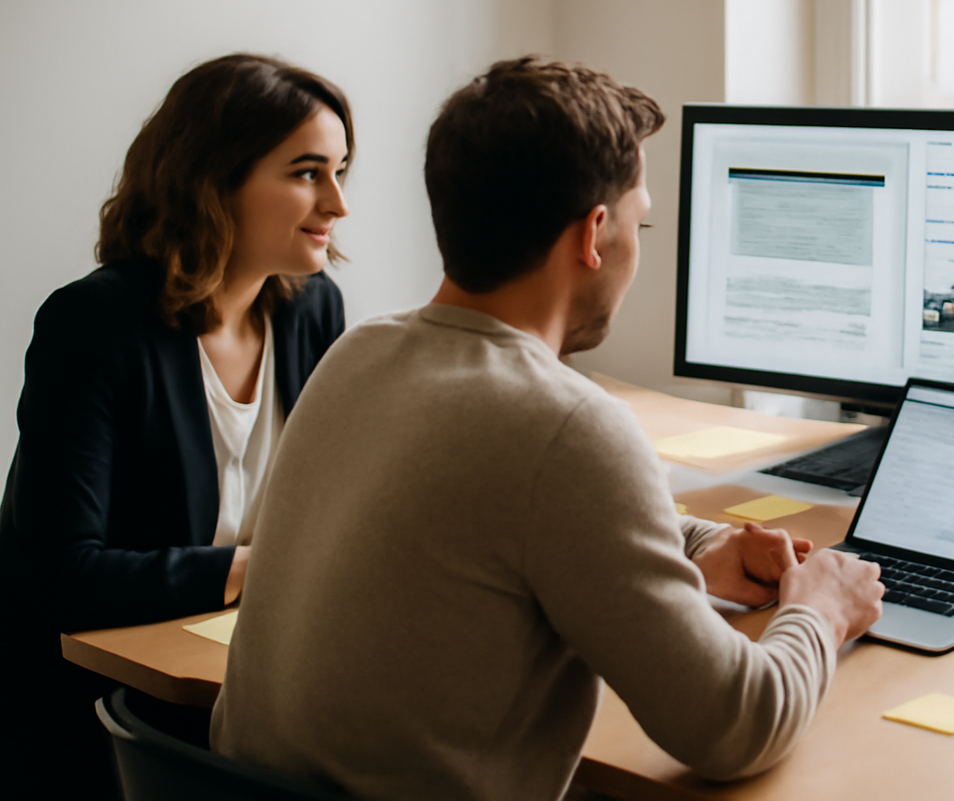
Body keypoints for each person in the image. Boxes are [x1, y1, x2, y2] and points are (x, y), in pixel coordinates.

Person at [210, 56, 884, 801]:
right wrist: (820, 608)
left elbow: (513, 523)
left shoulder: (357, 356)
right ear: (595, 233)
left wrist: (700, 544)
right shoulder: (568, 426)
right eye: (641, 221)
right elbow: (736, 726)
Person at [0, 53, 353, 798]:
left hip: (240, 669)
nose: (336, 204)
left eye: (339, 173)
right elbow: (60, 574)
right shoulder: (93, 325)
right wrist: (255, 569)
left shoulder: (313, 312)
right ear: (213, 179)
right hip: (100, 708)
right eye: (306, 173)